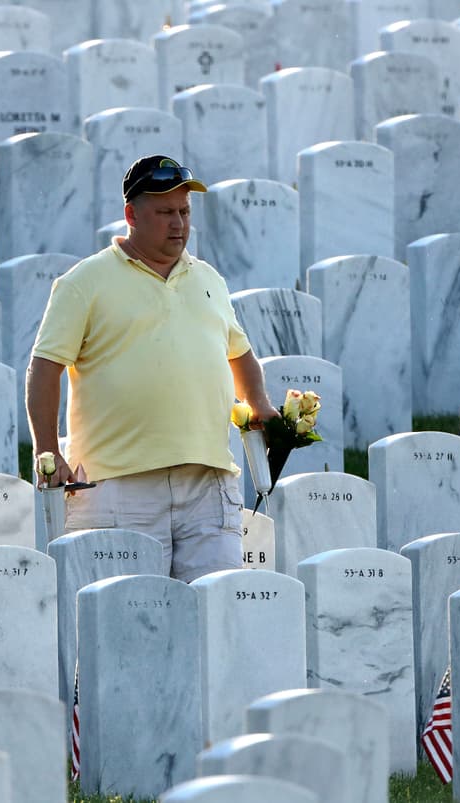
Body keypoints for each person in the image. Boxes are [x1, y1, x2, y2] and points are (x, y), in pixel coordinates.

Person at [25, 155, 279, 583]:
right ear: (131, 215)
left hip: (208, 483)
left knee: (216, 623)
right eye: (164, 212)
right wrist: (46, 451)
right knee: (127, 629)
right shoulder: (84, 282)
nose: (178, 223)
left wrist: (260, 404)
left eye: (184, 212)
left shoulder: (209, 279)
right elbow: (45, 368)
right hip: (119, 487)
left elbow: (239, 353)